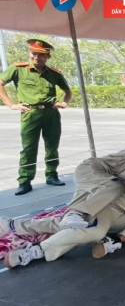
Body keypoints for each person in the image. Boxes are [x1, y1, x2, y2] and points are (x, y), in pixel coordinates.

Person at [1, 148, 125, 268]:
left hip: (124, 215)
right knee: (92, 231)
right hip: (106, 206)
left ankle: (115, 241)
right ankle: (37, 250)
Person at [0, 39, 72, 196]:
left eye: (41, 55)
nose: (37, 58)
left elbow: (68, 91)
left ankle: (52, 175)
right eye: (34, 54)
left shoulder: (54, 74)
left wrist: (64, 103)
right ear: (29, 53)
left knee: (52, 146)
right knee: (29, 148)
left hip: (51, 113)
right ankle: (25, 181)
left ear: (48, 57)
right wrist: (11, 105)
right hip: (30, 113)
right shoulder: (18, 69)